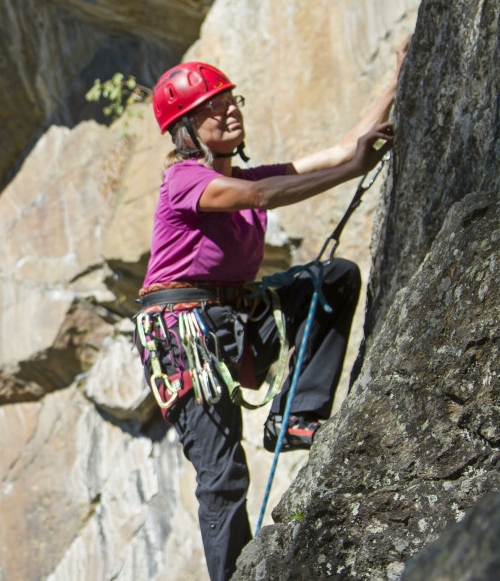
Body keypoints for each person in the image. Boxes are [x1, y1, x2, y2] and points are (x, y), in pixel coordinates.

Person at [133, 45, 405, 581]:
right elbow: (260, 194)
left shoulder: (246, 174)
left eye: (232, 100)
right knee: (223, 476)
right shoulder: (185, 180)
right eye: (214, 107)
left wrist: (398, 77)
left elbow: (343, 149)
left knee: (334, 277)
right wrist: (354, 166)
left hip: (233, 314)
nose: (230, 110)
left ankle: (296, 414)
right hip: (183, 334)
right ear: (186, 126)